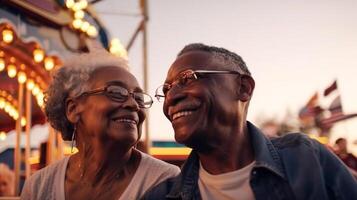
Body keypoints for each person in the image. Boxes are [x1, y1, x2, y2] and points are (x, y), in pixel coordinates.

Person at [143, 43, 357, 199]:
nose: (170, 97)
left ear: (243, 88)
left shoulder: (305, 158)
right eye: (166, 89)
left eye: (186, 79)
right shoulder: (162, 195)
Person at [21, 47, 179, 200]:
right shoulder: (39, 187)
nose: (134, 104)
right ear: (73, 109)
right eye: (116, 92)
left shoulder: (165, 182)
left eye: (138, 97)